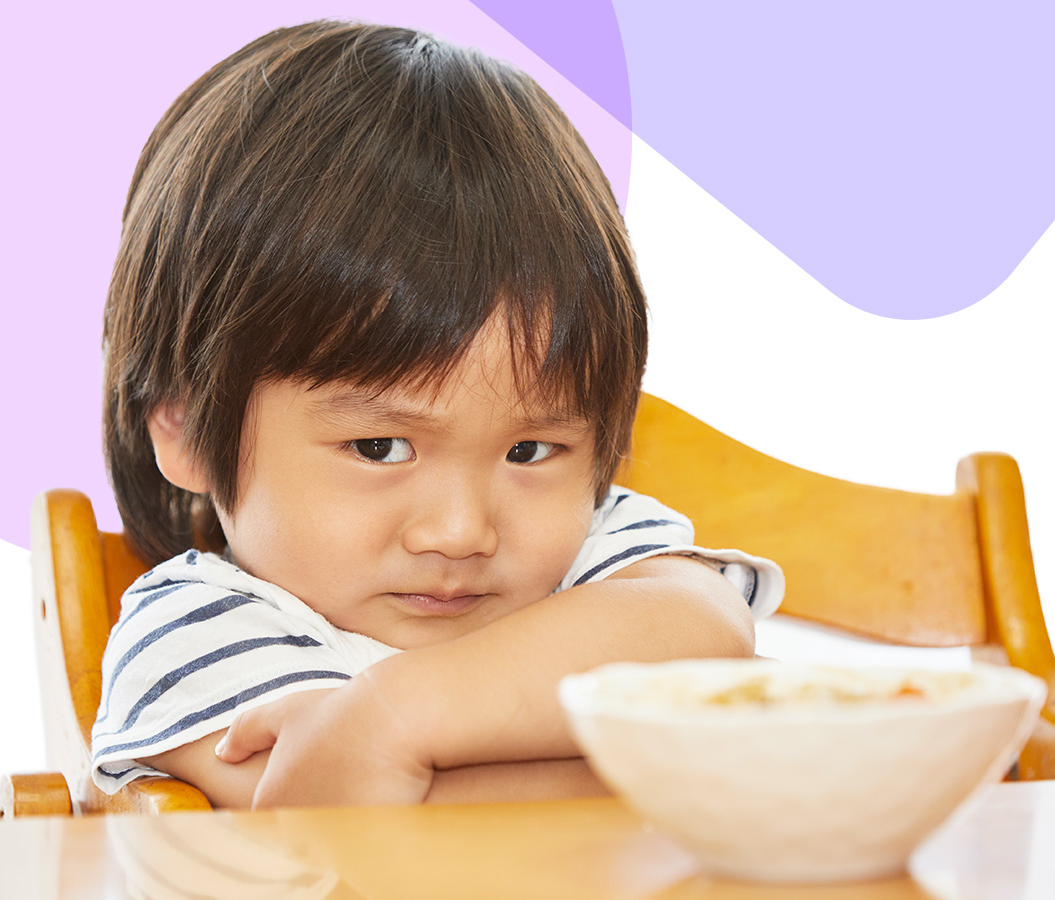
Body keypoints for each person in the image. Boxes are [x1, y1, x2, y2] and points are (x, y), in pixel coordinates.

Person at [92, 19, 784, 809]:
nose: (461, 532)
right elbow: (361, 811)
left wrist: (397, 715)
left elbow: (704, 623)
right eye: (380, 446)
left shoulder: (588, 547)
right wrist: (690, 748)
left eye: (530, 452)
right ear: (180, 425)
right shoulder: (192, 633)